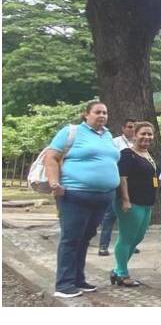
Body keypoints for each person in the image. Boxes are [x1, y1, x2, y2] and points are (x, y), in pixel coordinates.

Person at [44, 101, 121, 298]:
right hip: (74, 195)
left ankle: (78, 279)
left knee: (85, 238)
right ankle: (64, 284)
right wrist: (54, 183)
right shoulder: (72, 132)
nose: (102, 115)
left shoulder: (108, 135)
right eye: (97, 112)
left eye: (105, 112)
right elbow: (51, 157)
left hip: (102, 197)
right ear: (86, 114)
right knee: (71, 239)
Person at [110, 121, 158, 287]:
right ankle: (123, 274)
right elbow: (123, 178)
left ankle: (117, 270)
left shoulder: (147, 154)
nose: (147, 137)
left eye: (149, 134)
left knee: (138, 237)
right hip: (131, 202)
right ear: (135, 135)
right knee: (126, 237)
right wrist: (125, 200)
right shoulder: (127, 154)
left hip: (146, 202)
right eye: (143, 133)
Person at [99, 118, 137, 256]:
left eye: (134, 127)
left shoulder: (137, 143)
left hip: (132, 183)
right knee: (110, 215)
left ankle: (130, 243)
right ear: (123, 128)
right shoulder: (115, 142)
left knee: (130, 215)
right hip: (116, 181)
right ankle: (103, 245)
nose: (132, 129)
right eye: (130, 127)